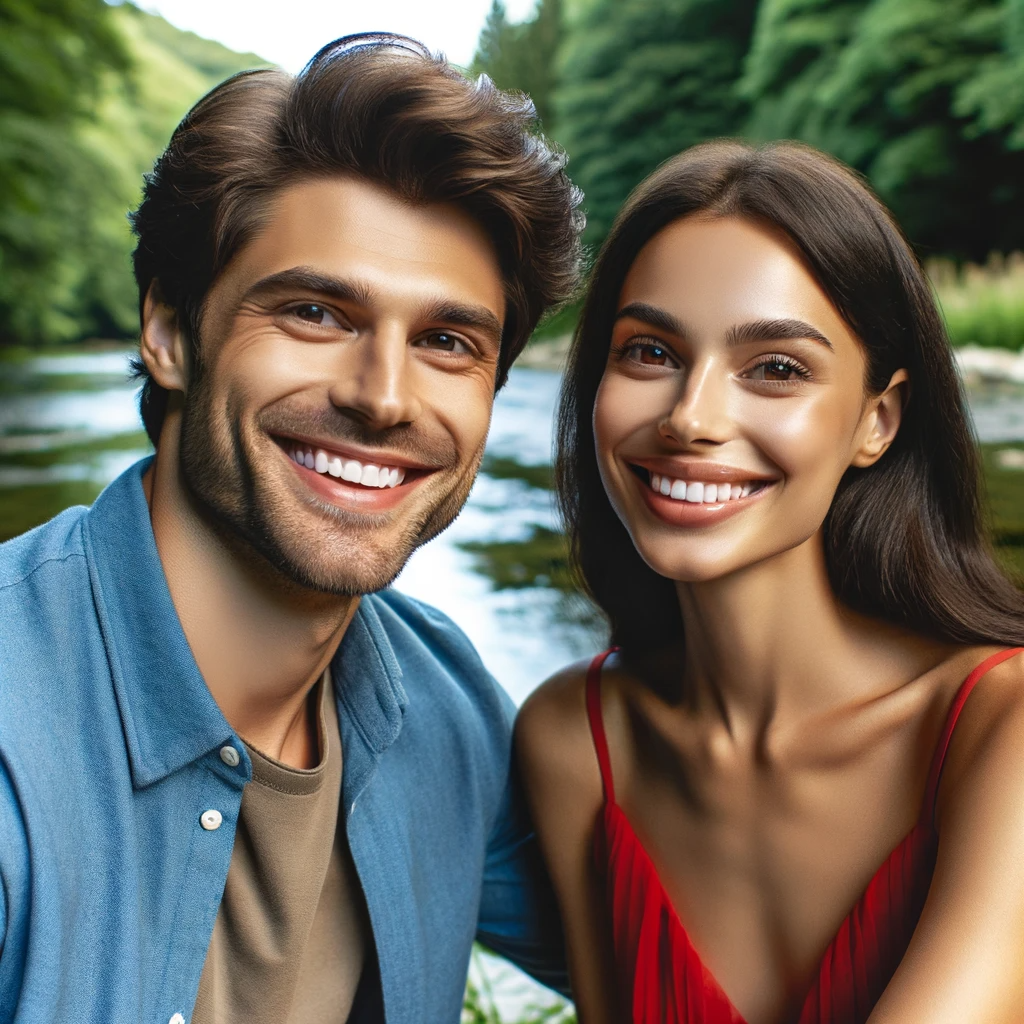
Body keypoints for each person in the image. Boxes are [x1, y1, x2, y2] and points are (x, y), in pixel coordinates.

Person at [0, 34, 581, 1024]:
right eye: (315, 312)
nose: (384, 397)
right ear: (171, 331)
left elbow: (704, 959)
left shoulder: (444, 710)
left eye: (447, 341)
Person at [517, 140, 1024, 1024]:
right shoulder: (577, 742)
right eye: (649, 352)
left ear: (878, 421)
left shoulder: (1000, 729)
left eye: (777, 369)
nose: (691, 417)